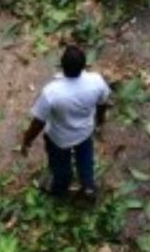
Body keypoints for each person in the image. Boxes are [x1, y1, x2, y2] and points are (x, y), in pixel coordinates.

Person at [22, 45, 111, 199]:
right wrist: (100, 120)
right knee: (85, 160)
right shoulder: (96, 82)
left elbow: (39, 122)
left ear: (62, 66)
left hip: (59, 139)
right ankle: (88, 186)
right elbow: (102, 103)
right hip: (85, 132)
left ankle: (60, 189)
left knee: (61, 166)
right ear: (84, 65)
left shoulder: (52, 92)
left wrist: (27, 140)